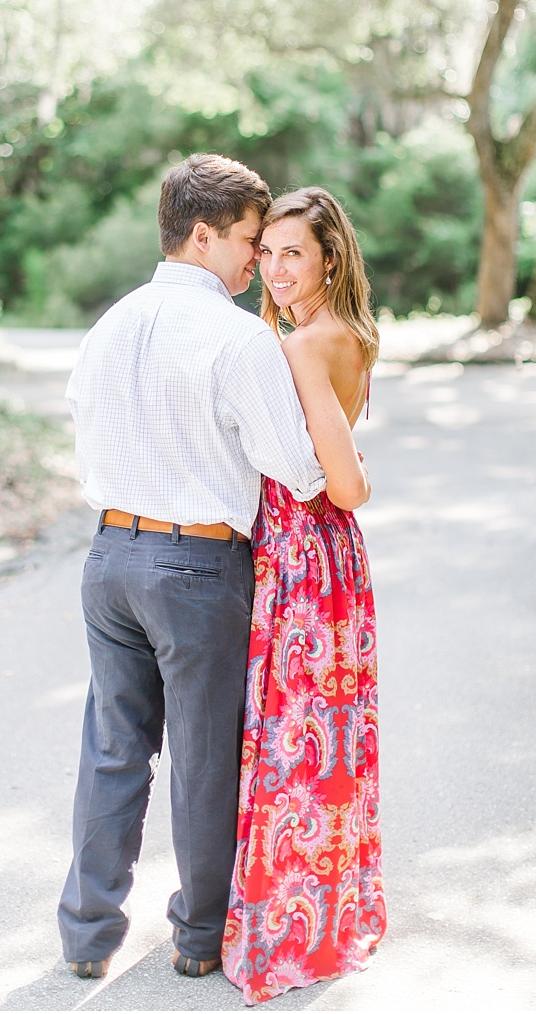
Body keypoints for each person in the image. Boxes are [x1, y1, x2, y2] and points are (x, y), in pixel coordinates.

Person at [58, 154, 340, 980]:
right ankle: (200, 936)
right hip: (197, 564)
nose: (259, 259)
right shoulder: (238, 336)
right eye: (252, 240)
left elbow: (83, 422)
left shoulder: (109, 323)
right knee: (207, 755)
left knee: (113, 745)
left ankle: (87, 934)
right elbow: (299, 467)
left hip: (109, 556)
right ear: (204, 234)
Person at [222, 186, 386, 1004]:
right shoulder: (350, 332)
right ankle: (320, 907)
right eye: (271, 252)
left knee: (295, 743)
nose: (278, 268)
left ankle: (290, 931)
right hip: (334, 562)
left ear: (329, 257)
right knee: (326, 741)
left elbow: (348, 484)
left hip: (303, 558)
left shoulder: (301, 347)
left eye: (296, 252)